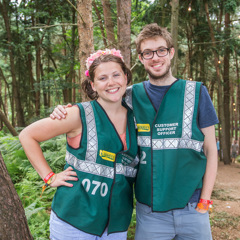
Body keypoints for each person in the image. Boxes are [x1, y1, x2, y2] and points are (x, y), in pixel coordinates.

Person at [51, 23, 219, 240]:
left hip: (193, 206)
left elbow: (210, 149)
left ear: (171, 53)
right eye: (147, 53)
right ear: (141, 58)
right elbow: (98, 106)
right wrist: (64, 110)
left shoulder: (196, 92)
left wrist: (205, 199)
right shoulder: (129, 95)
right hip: (150, 211)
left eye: (161, 50)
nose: (155, 57)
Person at [19, 49, 139, 240]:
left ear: (125, 77)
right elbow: (27, 135)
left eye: (116, 75)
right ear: (93, 85)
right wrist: (49, 177)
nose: (111, 82)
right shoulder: (78, 114)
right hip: (74, 222)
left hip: (116, 226)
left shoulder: (137, 118)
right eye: (102, 78)